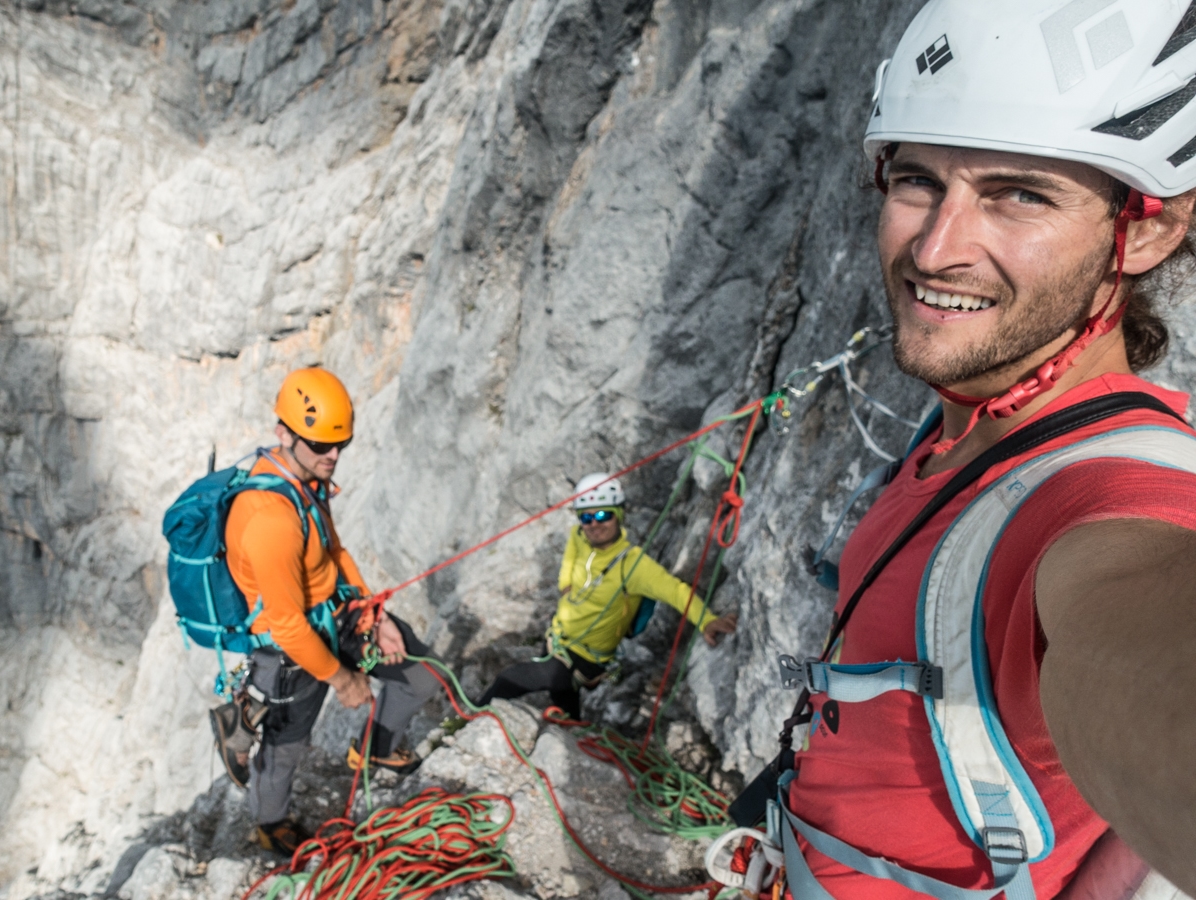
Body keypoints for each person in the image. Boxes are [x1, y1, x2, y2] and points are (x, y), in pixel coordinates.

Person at [761, 2, 1196, 898]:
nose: (935, 246)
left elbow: (1147, 636)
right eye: (917, 179)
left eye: (1020, 193)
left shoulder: (1107, 497)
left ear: (1147, 229)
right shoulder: (968, 425)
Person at [225, 367, 440, 854]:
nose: (333, 456)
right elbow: (286, 624)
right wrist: (344, 680)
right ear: (284, 433)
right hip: (287, 650)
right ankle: (270, 821)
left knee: (422, 675)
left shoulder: (303, 480)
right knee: (285, 749)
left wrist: (374, 615)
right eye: (321, 446)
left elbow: (334, 551)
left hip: (335, 613)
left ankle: (375, 748)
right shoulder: (269, 519)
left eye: (340, 444)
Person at [478, 473, 738, 720]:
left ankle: (466, 718)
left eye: (603, 515)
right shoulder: (579, 536)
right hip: (556, 639)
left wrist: (706, 620)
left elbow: (675, 591)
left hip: (584, 659)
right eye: (587, 517)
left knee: (510, 679)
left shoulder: (634, 566)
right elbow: (570, 556)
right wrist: (565, 585)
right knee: (564, 700)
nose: (594, 524)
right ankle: (574, 729)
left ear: (619, 515)